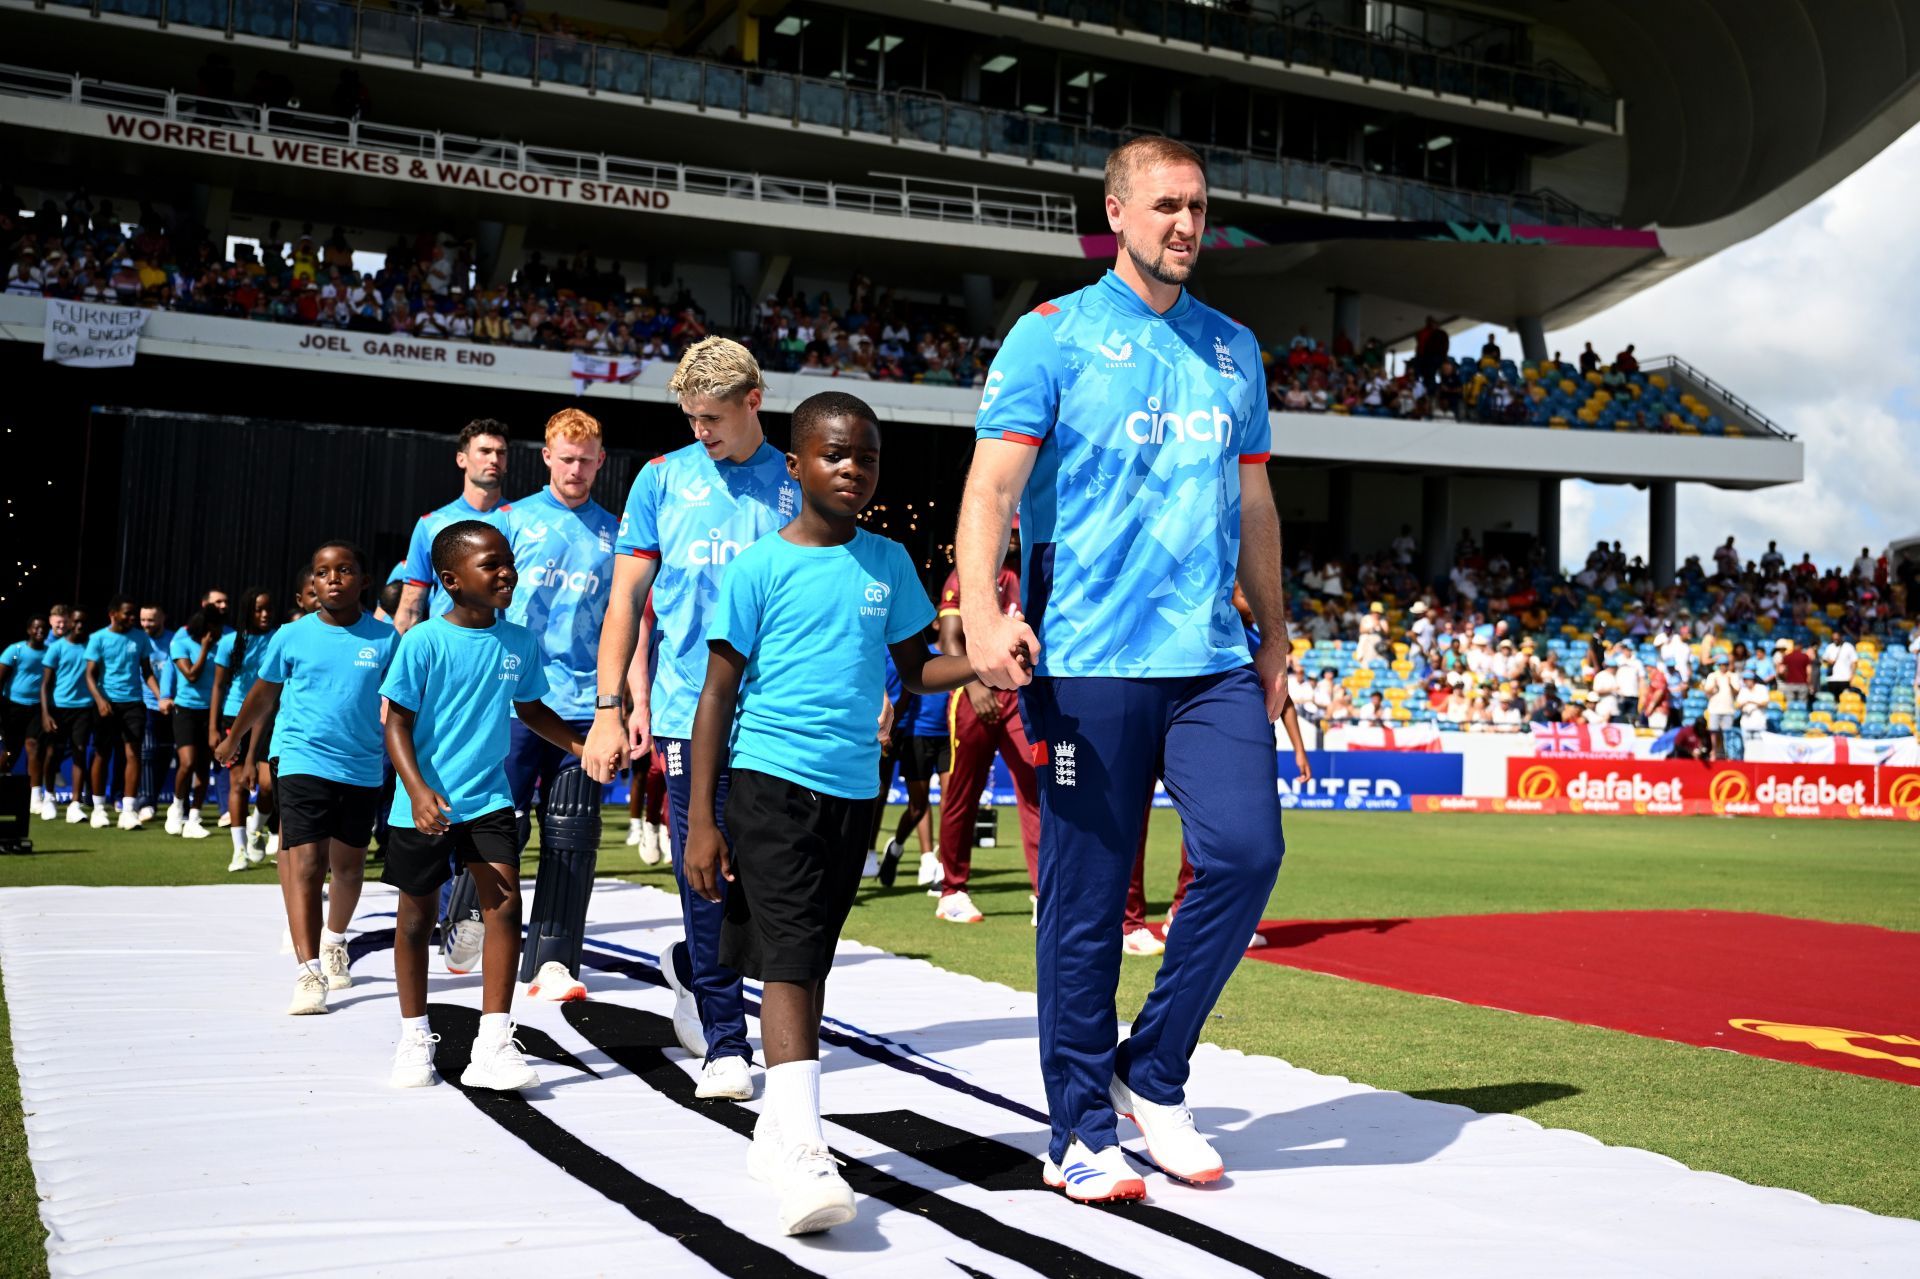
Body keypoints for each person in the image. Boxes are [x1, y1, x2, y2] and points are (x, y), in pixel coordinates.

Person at [956, 136, 1288, 1203]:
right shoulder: (1052, 336)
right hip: (1085, 660)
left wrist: (1277, 638)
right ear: (1116, 214)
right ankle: (1080, 1126)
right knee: (1088, 902)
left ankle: (1154, 1068)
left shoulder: (1234, 349)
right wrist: (988, 612)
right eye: (1165, 206)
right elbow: (989, 494)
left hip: (1210, 660)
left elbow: (1255, 509)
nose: (1185, 224)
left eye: (1197, 206)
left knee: (1243, 852)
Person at [683, 391, 974, 1236]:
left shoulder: (888, 563)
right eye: (837, 455)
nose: (855, 469)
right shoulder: (758, 567)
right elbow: (716, 694)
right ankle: (805, 1147)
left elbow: (918, 673)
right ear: (799, 463)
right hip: (769, 781)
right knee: (787, 955)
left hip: (856, 792)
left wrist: (987, 659)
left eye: (869, 458)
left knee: (808, 959)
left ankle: (776, 1130)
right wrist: (702, 817)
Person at [583, 336, 798, 1104]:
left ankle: (701, 973)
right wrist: (612, 707)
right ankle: (725, 1040)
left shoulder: (798, 479)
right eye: (690, 416)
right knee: (705, 875)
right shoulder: (659, 479)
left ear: (754, 402)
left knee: (771, 886)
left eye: (712, 416)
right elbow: (625, 602)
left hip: (781, 718)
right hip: (684, 714)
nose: (700, 430)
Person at [381, 522, 587, 1088]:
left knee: (504, 909)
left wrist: (582, 745)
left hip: (489, 800)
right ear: (450, 580)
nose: (506, 574)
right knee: (417, 918)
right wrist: (419, 791)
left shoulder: (519, 641)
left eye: (508, 563)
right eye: (491, 565)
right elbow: (395, 722)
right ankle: (414, 1038)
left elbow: (533, 709)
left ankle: (493, 1042)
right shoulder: (423, 641)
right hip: (424, 806)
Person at [220, 543, 396, 1013]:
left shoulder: (385, 639)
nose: (333, 578)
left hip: (360, 766)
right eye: (323, 572)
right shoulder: (290, 636)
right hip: (300, 758)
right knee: (307, 861)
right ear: (311, 587)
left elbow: (403, 705)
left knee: (350, 867)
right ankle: (308, 970)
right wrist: (234, 738)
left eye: (344, 570)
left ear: (363, 581)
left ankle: (335, 942)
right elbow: (263, 692)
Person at [493, 406, 620, 1001]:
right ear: (546, 457)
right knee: (501, 824)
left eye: (586, 460)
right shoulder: (513, 520)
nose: (576, 469)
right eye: (565, 458)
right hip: (514, 700)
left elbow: (631, 623)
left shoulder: (616, 532)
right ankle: (468, 917)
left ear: (600, 462)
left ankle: (553, 961)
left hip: (583, 705)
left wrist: (618, 704)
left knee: (572, 832)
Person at [925, 527, 1043, 924]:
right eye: (1004, 527)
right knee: (962, 793)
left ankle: (1046, 893)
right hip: (972, 692)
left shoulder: (1024, 576)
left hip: (1016, 696)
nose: (1009, 534)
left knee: (1035, 785)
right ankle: (952, 890)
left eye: (1015, 528)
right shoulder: (966, 577)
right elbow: (949, 639)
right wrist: (975, 686)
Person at [394, 420, 514, 632]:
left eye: (501, 452)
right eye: (485, 451)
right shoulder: (430, 524)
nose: (494, 459)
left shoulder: (523, 521)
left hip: (505, 652)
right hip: (446, 649)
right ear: (461, 459)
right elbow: (411, 607)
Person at [878, 631, 948, 897]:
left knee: (949, 804)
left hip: (950, 734)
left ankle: (941, 871)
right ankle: (896, 846)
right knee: (918, 806)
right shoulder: (918, 652)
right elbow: (907, 687)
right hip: (918, 733)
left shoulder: (963, 651)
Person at [211, 587, 276, 870]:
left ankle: (256, 829)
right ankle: (239, 850)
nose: (264, 614)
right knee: (238, 784)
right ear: (247, 611)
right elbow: (218, 685)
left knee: (267, 785)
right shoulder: (229, 642)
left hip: (270, 718)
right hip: (234, 718)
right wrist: (214, 727)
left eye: (268, 609)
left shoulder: (278, 639)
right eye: (257, 609)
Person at [82, 596, 150, 831]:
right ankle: (99, 808)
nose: (132, 618)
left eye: (134, 614)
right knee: (102, 753)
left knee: (133, 754)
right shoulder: (98, 638)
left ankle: (128, 810)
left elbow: (147, 671)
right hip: (106, 703)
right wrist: (100, 700)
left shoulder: (140, 638)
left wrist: (161, 695)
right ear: (113, 614)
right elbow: (90, 675)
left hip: (133, 703)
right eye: (128, 613)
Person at [166, 604, 224, 839]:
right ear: (205, 626)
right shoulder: (180, 644)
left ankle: (194, 818)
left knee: (203, 766)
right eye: (215, 626)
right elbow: (191, 675)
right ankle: (177, 807)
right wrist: (204, 649)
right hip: (185, 710)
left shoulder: (219, 648)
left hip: (210, 712)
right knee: (187, 762)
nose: (219, 630)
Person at [39, 607, 95, 824]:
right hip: (58, 708)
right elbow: (45, 684)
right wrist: (45, 714)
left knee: (80, 751)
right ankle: (49, 798)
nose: (80, 626)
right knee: (52, 753)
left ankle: (75, 804)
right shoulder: (56, 648)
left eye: (83, 622)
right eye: (76, 622)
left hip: (84, 708)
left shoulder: (91, 646)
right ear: (70, 622)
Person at [0, 618, 50, 811]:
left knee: (33, 746)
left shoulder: (49, 652)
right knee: (10, 752)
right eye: (36, 627)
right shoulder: (15, 651)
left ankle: (35, 797)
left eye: (43, 628)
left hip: (38, 707)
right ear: (29, 629)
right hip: (12, 707)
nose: (40, 631)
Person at [134, 604, 174, 822]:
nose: (146, 624)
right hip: (145, 703)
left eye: (150, 620)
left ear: (162, 619)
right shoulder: (138, 640)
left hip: (171, 704)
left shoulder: (174, 640)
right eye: (143, 620)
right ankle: (146, 802)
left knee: (165, 753)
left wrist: (168, 698)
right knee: (147, 751)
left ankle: (155, 800)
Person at [1701, 654, 1739, 759]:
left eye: (1725, 664)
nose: (1723, 667)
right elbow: (1707, 691)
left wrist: (1730, 684)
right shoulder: (1712, 676)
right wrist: (1715, 686)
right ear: (1718, 665)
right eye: (1721, 665)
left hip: (1728, 709)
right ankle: (1713, 751)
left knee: (1727, 733)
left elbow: (1736, 692)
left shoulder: (1733, 676)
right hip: (1714, 708)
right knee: (1713, 731)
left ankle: (1728, 754)